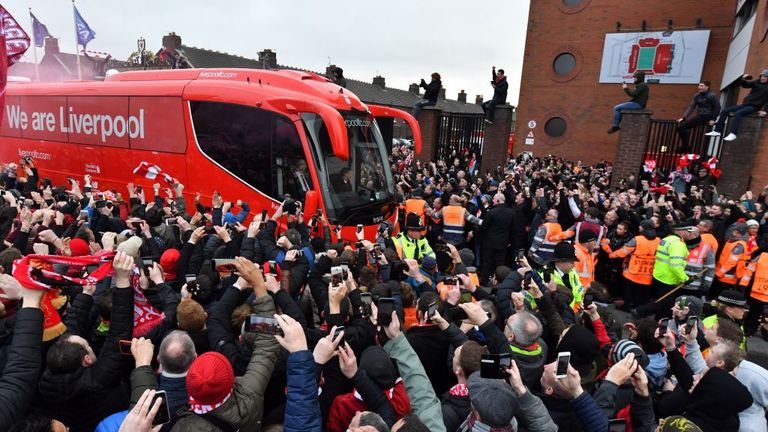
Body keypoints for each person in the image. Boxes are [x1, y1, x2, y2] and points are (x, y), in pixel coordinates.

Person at [707, 70, 768, 142]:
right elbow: (745, 85)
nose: (762, 78)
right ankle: (717, 131)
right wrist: (743, 79)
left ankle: (733, 134)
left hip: (754, 107)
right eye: (762, 76)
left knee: (739, 113)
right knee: (725, 111)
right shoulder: (756, 82)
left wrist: (765, 111)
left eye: (765, 77)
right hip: (745, 104)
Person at [478, 192, 514, 283]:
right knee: (500, 263)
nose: (492, 201)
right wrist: (510, 240)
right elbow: (514, 229)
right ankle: (499, 281)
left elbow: (484, 227)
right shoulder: (512, 212)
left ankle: (485, 281)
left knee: (487, 262)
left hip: (489, 242)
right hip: (503, 242)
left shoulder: (492, 212)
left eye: (493, 199)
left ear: (498, 200)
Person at [676, 81, 721, 153]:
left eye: (701, 86)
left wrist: (713, 119)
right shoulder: (697, 96)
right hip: (700, 116)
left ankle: (685, 147)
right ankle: (686, 146)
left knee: (682, 127)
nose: (699, 87)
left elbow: (717, 108)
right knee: (681, 127)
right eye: (699, 86)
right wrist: (683, 117)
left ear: (707, 87)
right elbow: (691, 106)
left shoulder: (711, 96)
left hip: (707, 116)